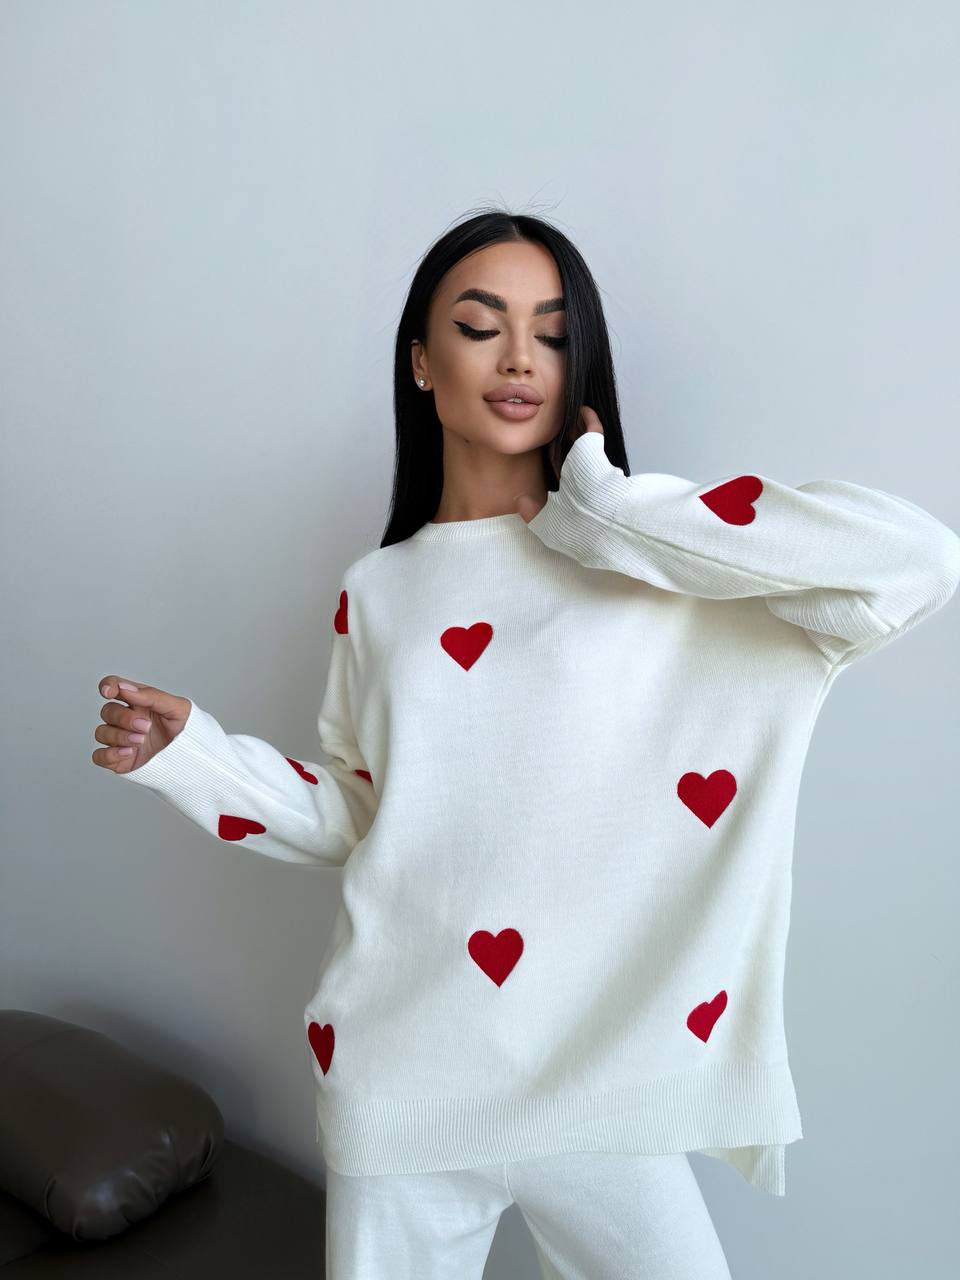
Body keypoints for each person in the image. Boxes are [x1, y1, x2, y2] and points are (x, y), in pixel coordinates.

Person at [93, 209, 960, 1279]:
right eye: (480, 325)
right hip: (403, 1077)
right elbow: (362, 812)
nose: (519, 359)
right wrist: (192, 755)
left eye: (552, 334)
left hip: (604, 1077)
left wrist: (614, 513)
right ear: (422, 360)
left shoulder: (659, 564)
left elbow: (919, 561)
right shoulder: (380, 591)